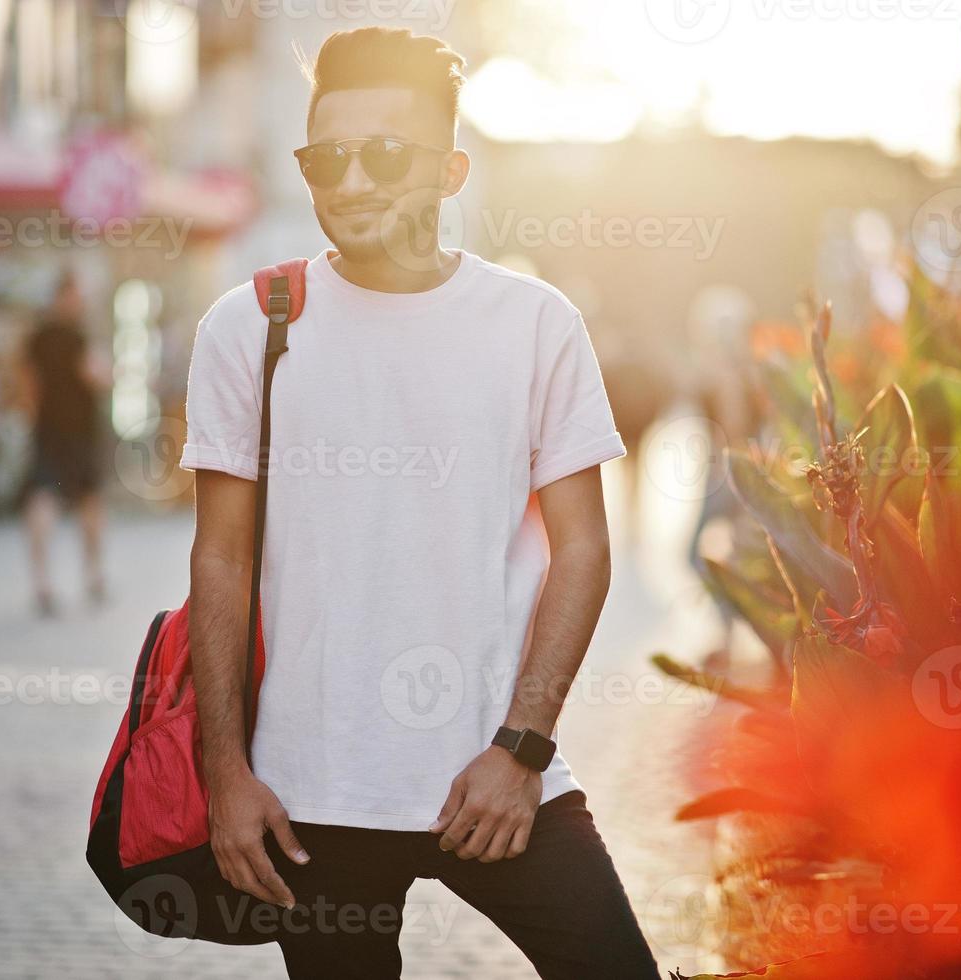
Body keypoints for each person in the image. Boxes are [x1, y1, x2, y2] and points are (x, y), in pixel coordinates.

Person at [178, 27, 661, 979]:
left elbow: (583, 552)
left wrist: (520, 752)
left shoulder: (534, 325)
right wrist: (225, 776)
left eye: (384, 154)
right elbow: (219, 560)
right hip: (311, 797)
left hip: (497, 772)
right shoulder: (249, 327)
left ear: (448, 170)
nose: (350, 182)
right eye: (326, 158)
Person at [20, 282, 106, 616]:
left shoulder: (37, 338)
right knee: (89, 501)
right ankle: (93, 575)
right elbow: (95, 376)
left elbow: (27, 384)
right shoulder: (78, 337)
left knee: (43, 498)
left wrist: (34, 417)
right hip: (80, 433)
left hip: (47, 432)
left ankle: (42, 582)